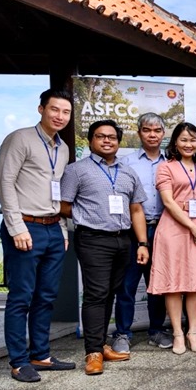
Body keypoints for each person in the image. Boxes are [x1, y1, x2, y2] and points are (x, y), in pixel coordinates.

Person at [0, 89, 75, 382]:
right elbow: (4, 184)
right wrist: (16, 227)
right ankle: (18, 361)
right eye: (55, 109)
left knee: (46, 296)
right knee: (21, 297)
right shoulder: (20, 139)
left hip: (54, 228)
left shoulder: (62, 148)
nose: (60, 116)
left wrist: (62, 230)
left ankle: (40, 355)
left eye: (65, 112)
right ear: (41, 109)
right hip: (25, 227)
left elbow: (57, 193)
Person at [60, 119, 143, 374]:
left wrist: (142, 243)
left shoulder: (128, 171)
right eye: (100, 136)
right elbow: (64, 204)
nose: (107, 141)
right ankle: (93, 352)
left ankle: (102, 343)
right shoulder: (76, 170)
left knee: (111, 292)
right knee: (96, 294)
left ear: (118, 142)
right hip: (93, 239)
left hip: (123, 239)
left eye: (112, 137)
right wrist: (88, 216)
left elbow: (136, 208)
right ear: (91, 140)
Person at [147, 122, 196, 355]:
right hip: (174, 228)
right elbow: (168, 202)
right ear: (175, 142)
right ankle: (177, 333)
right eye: (184, 140)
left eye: (193, 140)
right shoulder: (166, 167)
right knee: (173, 285)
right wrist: (192, 227)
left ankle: (192, 332)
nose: (189, 144)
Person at [113, 112, 173, 352]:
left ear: (163, 134)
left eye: (157, 131)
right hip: (132, 230)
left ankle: (156, 330)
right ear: (139, 133)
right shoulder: (126, 163)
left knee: (157, 285)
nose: (152, 135)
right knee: (126, 285)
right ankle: (122, 334)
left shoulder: (170, 162)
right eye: (147, 130)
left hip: (164, 228)